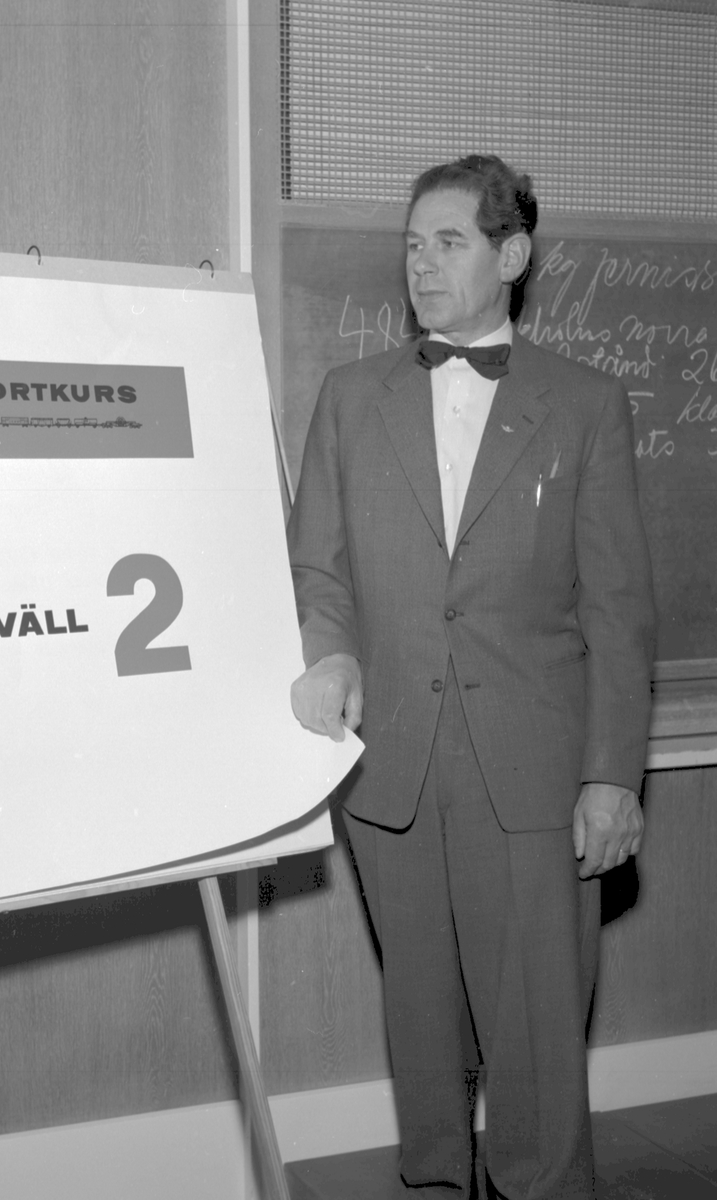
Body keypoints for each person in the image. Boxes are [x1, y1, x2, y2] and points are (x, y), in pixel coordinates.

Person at [286, 155, 655, 1199]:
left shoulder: (584, 404)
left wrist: (612, 775)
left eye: (448, 242)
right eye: (412, 245)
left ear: (511, 254)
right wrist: (331, 650)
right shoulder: (349, 398)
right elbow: (318, 569)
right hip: (391, 764)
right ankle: (438, 1182)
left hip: (534, 771)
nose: (422, 264)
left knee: (536, 1027)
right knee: (420, 1023)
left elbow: (617, 608)